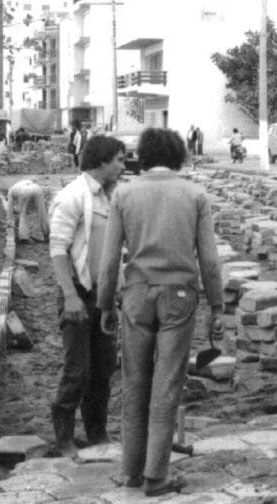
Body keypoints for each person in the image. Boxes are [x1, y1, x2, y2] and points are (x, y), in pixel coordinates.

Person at [97, 128, 224, 497]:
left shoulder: (123, 194)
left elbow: (108, 262)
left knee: (135, 382)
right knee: (167, 384)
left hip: (136, 295)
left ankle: (130, 471)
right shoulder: (195, 194)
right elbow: (210, 261)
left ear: (143, 157)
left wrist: (105, 304)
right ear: (180, 156)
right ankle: (157, 475)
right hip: (180, 296)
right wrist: (217, 305)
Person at [47, 135, 127, 457]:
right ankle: (64, 438)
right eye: (120, 160)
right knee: (77, 368)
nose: (123, 166)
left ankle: (97, 433)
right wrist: (69, 296)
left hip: (102, 296)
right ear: (104, 161)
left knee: (103, 367)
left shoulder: (111, 198)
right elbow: (57, 249)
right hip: (78, 294)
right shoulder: (73, 197)